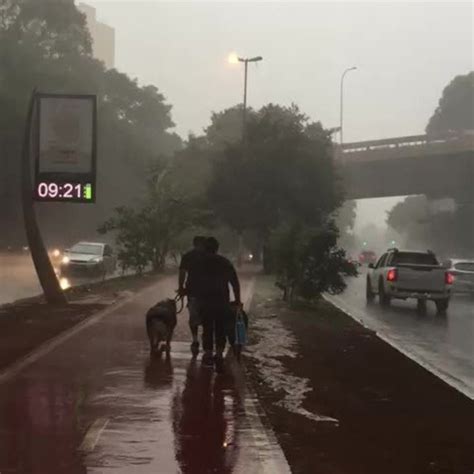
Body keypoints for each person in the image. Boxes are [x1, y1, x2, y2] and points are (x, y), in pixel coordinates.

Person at [196, 237, 241, 372]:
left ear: (204, 248)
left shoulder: (200, 262)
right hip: (222, 301)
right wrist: (237, 300)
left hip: (205, 301)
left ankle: (208, 354)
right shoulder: (225, 262)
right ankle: (220, 354)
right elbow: (235, 282)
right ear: (217, 248)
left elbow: (194, 281)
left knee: (207, 328)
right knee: (220, 328)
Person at [178, 236, 206, 356]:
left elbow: (182, 273)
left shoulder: (187, 256)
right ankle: (204, 338)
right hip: (207, 292)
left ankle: (195, 340)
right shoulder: (209, 256)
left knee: (194, 317)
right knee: (206, 316)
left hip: (193, 291)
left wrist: (181, 288)